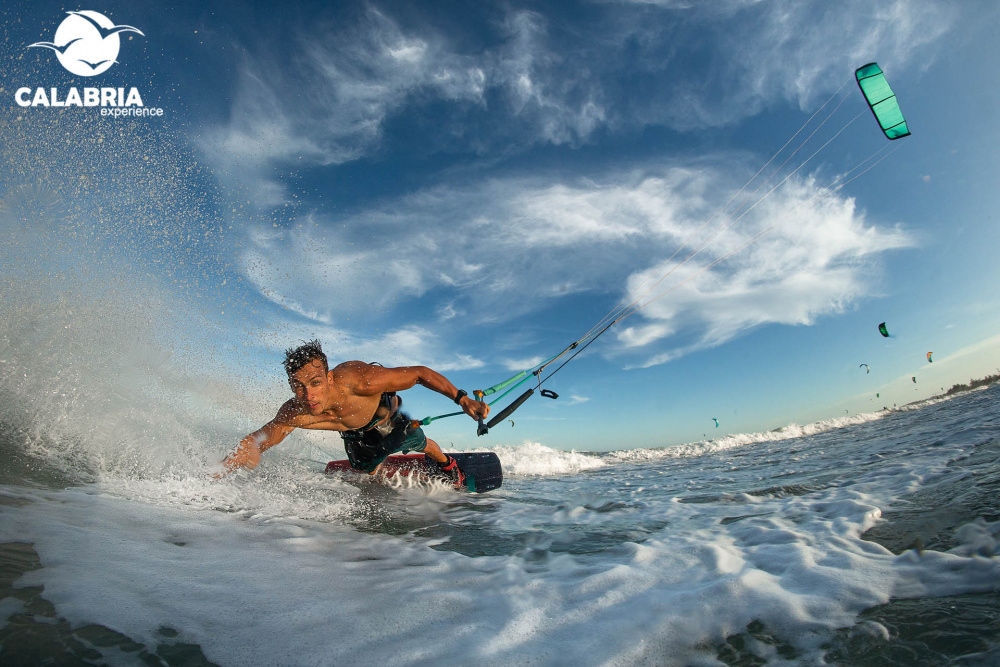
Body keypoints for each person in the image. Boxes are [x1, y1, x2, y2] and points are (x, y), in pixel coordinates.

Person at [218, 340, 490, 487]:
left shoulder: (361, 380)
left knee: (421, 443)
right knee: (365, 469)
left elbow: (419, 374)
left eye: (315, 383)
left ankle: (449, 466)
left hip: (383, 418)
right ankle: (377, 465)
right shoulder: (295, 412)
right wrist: (239, 455)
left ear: (329, 378)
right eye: (298, 387)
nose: (308, 395)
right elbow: (260, 440)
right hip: (353, 432)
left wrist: (462, 398)